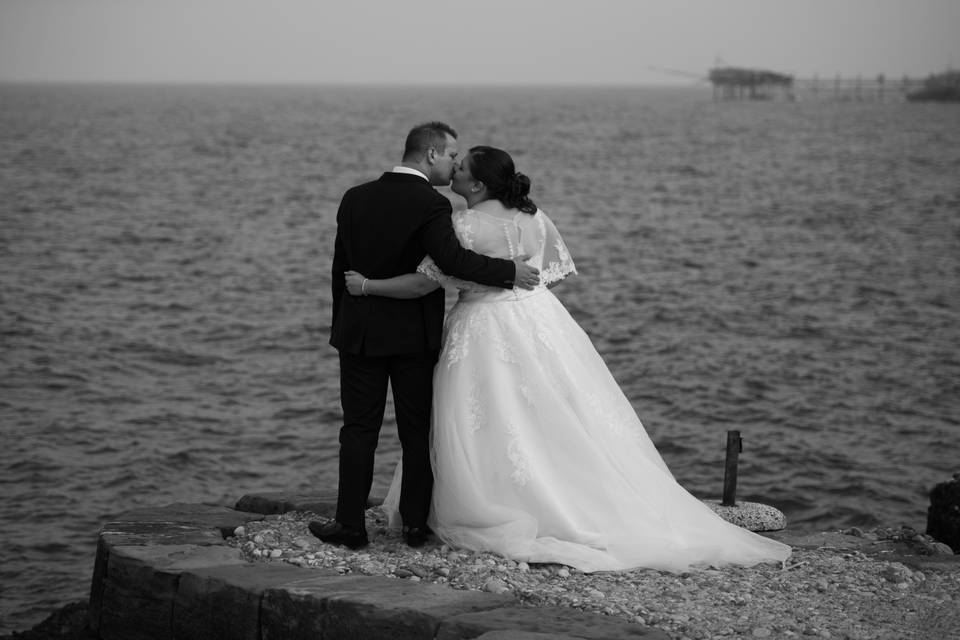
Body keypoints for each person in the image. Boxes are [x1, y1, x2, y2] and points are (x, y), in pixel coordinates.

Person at [342, 145, 792, 572]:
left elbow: (424, 284)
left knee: (482, 417)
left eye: (461, 169)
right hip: (537, 319)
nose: (454, 170)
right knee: (551, 410)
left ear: (477, 187)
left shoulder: (463, 225)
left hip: (480, 325)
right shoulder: (535, 217)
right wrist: (521, 303)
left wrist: (366, 286)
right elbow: (555, 272)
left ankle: (488, 503)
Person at [315, 124, 541, 550]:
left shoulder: (354, 197)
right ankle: (416, 526)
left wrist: (342, 325)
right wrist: (509, 271)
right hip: (412, 339)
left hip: (358, 333)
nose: (455, 163)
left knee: (357, 430)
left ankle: (349, 526)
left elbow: (338, 269)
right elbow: (453, 261)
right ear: (431, 153)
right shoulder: (431, 205)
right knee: (416, 432)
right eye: (452, 154)